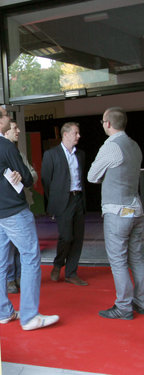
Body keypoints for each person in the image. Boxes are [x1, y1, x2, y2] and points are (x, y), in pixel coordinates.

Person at [0, 103, 59, 331]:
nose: (9, 118)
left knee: (1, 262)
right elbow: (29, 179)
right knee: (30, 257)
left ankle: (3, 313)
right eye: (6, 115)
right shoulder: (5, 145)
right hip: (13, 211)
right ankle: (30, 316)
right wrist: (20, 176)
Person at [88, 107, 144, 320]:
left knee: (118, 260)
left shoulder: (110, 147)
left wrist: (107, 177)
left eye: (103, 121)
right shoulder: (135, 145)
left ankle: (123, 306)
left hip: (117, 211)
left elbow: (93, 176)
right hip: (137, 209)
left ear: (108, 123)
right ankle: (141, 301)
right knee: (137, 258)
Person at [41, 122, 87, 286]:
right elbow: (46, 180)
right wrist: (54, 201)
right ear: (65, 134)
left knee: (78, 238)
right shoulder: (51, 154)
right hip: (63, 201)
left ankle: (71, 273)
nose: (78, 136)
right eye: (76, 133)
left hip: (78, 198)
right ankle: (58, 263)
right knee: (66, 236)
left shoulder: (80, 154)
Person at [4, 120, 38, 294]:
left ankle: (19, 277)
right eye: (14, 128)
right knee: (9, 245)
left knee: (22, 245)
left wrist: (23, 178)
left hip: (24, 202)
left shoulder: (19, 152)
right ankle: (10, 279)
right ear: (5, 131)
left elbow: (32, 173)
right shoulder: (1, 152)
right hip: (9, 205)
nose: (18, 131)